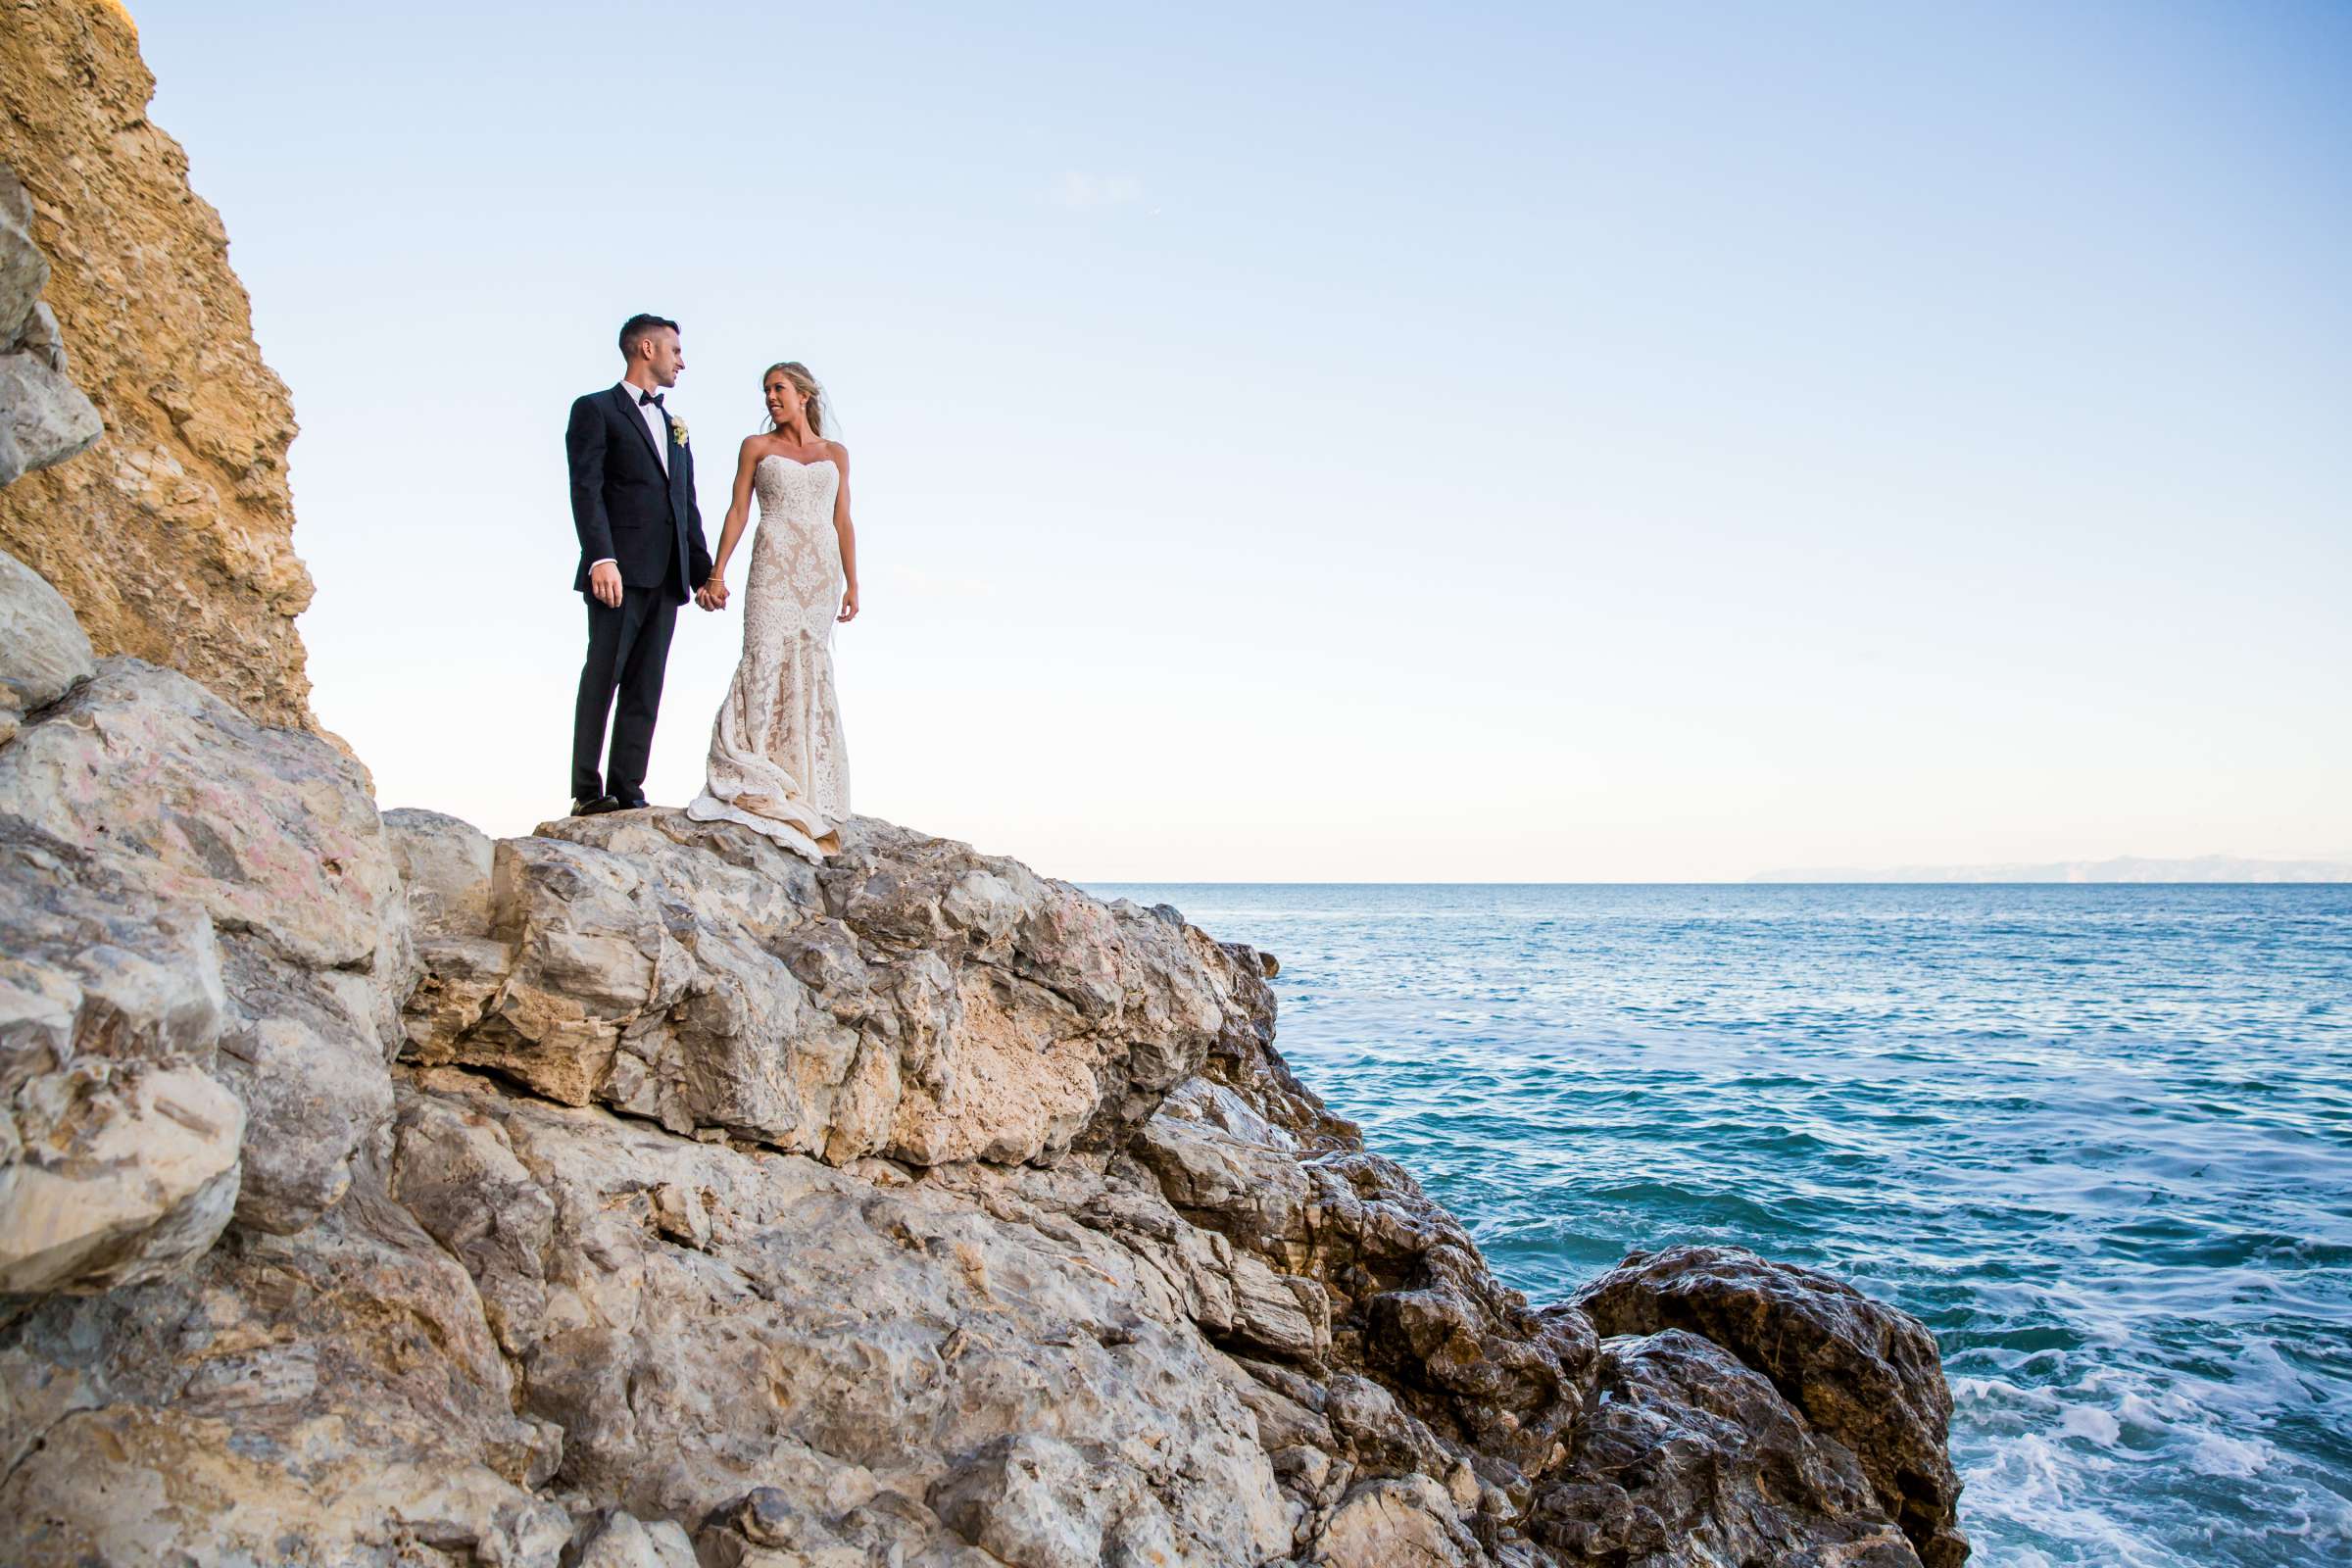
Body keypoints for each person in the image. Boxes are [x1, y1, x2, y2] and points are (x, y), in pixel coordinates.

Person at [684, 361, 858, 859]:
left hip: (819, 574)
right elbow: (738, 509)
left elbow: (843, 519)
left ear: (804, 395)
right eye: (766, 391)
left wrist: (852, 581)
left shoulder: (836, 455)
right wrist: (718, 572)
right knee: (763, 656)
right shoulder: (756, 448)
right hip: (773, 564)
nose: (770, 398)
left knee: (811, 663)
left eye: (778, 389)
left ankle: (805, 779)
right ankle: (756, 763)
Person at [565, 314, 717, 816]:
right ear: (646, 348)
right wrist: (600, 557)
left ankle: (628, 788)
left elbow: (685, 504)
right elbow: (586, 489)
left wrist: (704, 574)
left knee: (646, 686)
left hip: (667, 576)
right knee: (602, 677)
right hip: (617, 571)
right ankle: (588, 791)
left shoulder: (677, 428)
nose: (682, 361)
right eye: (676, 350)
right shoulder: (595, 410)